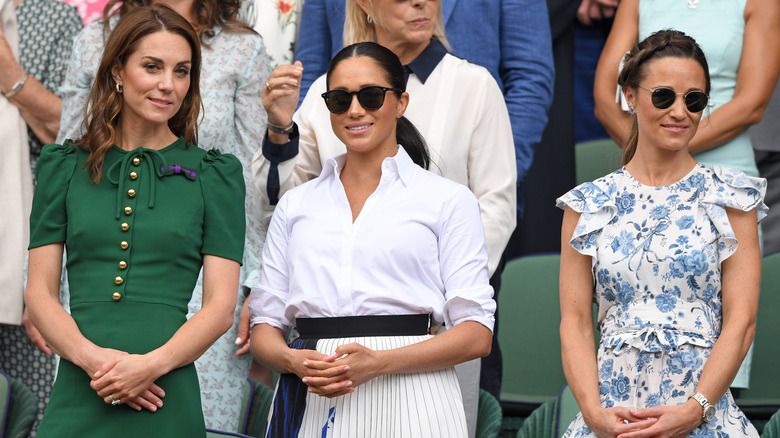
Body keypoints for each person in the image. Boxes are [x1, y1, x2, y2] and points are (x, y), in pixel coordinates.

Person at [253, 0, 516, 418]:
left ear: (400, 102)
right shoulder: (329, 90)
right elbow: (281, 196)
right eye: (342, 100)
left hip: (432, 327)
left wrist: (446, 300)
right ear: (365, 4)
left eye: (373, 96)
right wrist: (280, 128)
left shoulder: (474, 84)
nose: (420, 4)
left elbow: (496, 205)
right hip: (322, 358)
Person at [51, 0, 272, 429]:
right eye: (152, 67)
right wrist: (96, 362)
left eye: (182, 71)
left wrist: (148, 367)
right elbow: (40, 294)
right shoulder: (63, 166)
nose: (168, 85)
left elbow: (220, 306)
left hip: (167, 390)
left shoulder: (217, 175)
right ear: (117, 71)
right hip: (81, 385)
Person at [558, 30, 764, 438]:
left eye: (695, 100)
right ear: (630, 96)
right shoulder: (590, 203)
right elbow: (575, 323)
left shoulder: (731, 197)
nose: (680, 112)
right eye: (664, 96)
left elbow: (741, 322)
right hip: (612, 417)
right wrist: (593, 412)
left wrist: (695, 410)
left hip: (703, 413)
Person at [592, 0, 780, 388]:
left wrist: (673, 144)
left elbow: (752, 103)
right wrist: (654, 151)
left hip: (725, 174)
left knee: (725, 325)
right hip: (644, 173)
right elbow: (605, 95)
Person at [0, 0, 82, 433]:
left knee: (25, 403)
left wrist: (9, 73)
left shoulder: (50, 17)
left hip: (27, 238)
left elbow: (68, 134)